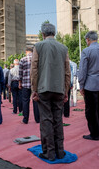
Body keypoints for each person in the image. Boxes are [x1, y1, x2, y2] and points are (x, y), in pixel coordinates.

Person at [31, 23, 70, 161]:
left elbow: (34, 69)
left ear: (42, 34)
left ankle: (49, 152)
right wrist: (66, 90)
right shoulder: (63, 48)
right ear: (55, 33)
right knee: (58, 119)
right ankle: (60, 151)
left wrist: (34, 89)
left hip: (44, 88)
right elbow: (67, 72)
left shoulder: (39, 46)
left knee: (46, 120)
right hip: (59, 88)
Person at [78, 31, 99, 140]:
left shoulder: (86, 51)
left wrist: (81, 85)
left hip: (91, 84)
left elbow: (83, 70)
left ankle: (95, 133)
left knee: (91, 110)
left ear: (88, 39)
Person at [19, 47, 40, 124]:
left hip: (25, 83)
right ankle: (37, 119)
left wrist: (20, 83)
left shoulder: (22, 59)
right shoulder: (37, 59)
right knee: (36, 100)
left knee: (25, 101)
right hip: (35, 84)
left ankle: (25, 119)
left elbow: (20, 73)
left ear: (26, 51)